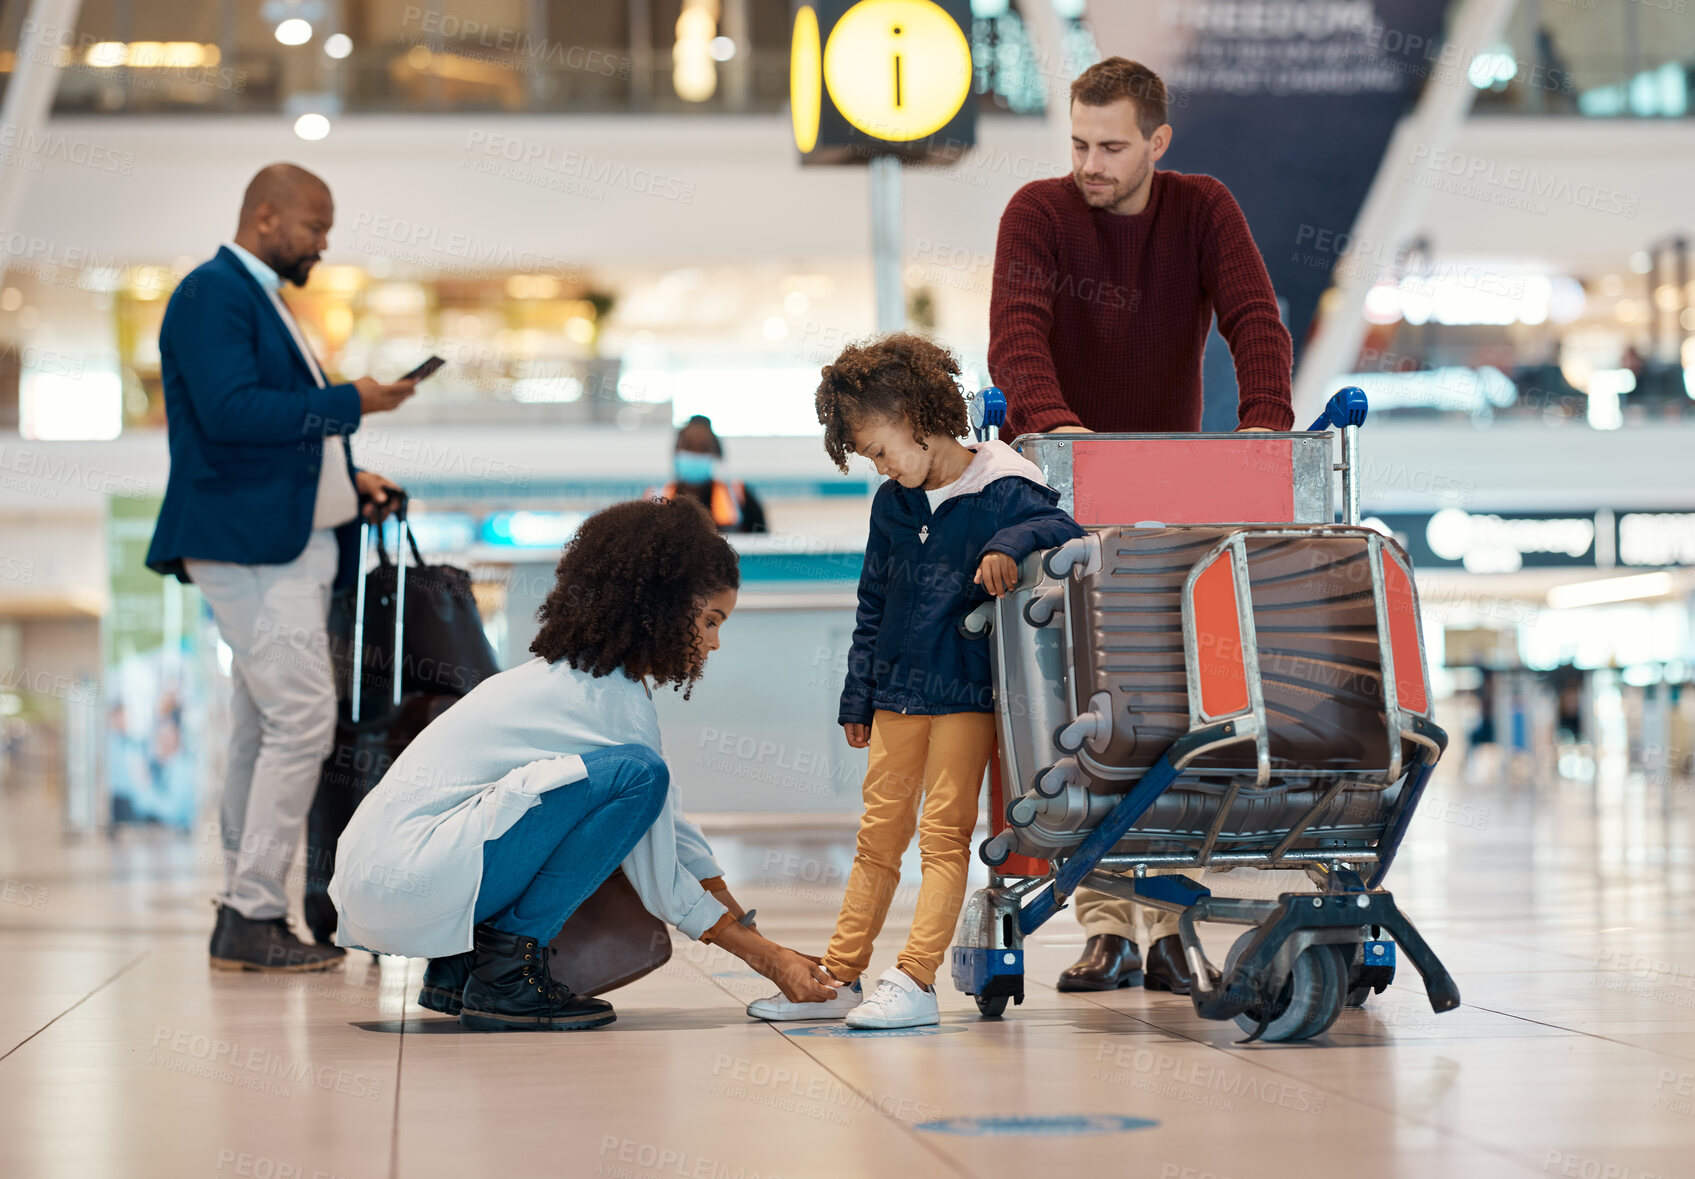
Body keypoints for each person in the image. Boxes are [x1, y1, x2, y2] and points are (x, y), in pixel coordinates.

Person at [987, 58, 1295, 994]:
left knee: (1171, 711)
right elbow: (1016, 336)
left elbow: (1253, 318)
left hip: (1167, 497)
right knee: (1081, 718)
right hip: (1059, 493)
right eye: (1079, 142)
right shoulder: (1036, 214)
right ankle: (1107, 925)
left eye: (1111, 146)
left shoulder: (1201, 208)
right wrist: (1059, 428)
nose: (1089, 162)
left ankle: (1167, 921)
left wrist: (1263, 431)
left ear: (1157, 142)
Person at [329, 497, 838, 1031]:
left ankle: (460, 970)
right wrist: (767, 959)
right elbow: (661, 870)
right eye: (710, 620)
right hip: (412, 883)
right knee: (639, 776)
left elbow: (674, 830)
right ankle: (505, 976)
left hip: (386, 884)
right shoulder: (606, 701)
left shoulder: (576, 683)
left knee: (636, 779)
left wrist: (757, 936)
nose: (714, 642)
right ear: (659, 607)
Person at [745, 333, 1084, 1029]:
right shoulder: (892, 507)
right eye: (867, 455)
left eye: (878, 449)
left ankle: (915, 978)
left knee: (942, 835)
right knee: (876, 839)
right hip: (896, 693)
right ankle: (839, 976)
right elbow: (872, 604)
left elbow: (1063, 525)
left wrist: (1006, 544)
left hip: (965, 694)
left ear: (919, 417)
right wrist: (857, 692)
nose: (878, 466)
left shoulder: (1003, 485)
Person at [146, 163, 419, 974]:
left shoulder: (257, 297)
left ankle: (247, 903)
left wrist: (350, 478)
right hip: (250, 546)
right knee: (301, 718)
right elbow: (230, 414)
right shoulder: (212, 294)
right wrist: (350, 400)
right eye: (314, 227)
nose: (323, 245)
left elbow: (277, 434)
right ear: (266, 217)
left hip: (277, 541)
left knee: (266, 725)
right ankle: (252, 909)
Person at [648, 414, 768, 533]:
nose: (695, 454)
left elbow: (762, 543)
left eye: (703, 448)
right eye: (688, 447)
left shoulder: (740, 497)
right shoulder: (655, 499)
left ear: (716, 453)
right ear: (676, 451)